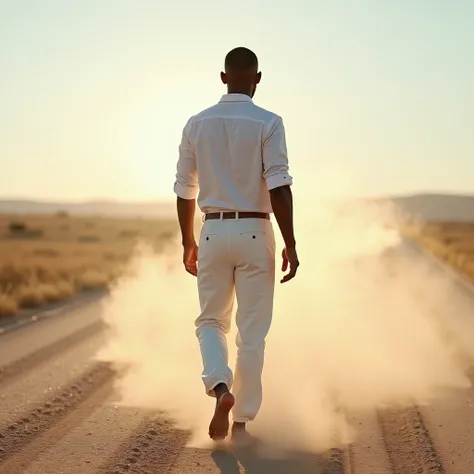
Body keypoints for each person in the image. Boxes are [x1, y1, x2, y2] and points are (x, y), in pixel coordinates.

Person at [173, 46, 299, 444]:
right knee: (252, 334)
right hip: (256, 231)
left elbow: (183, 188)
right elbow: (279, 184)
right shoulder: (269, 122)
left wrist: (187, 240)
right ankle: (242, 417)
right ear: (257, 79)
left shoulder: (197, 123)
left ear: (224, 77)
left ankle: (221, 389)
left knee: (211, 322)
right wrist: (291, 244)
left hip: (212, 230)